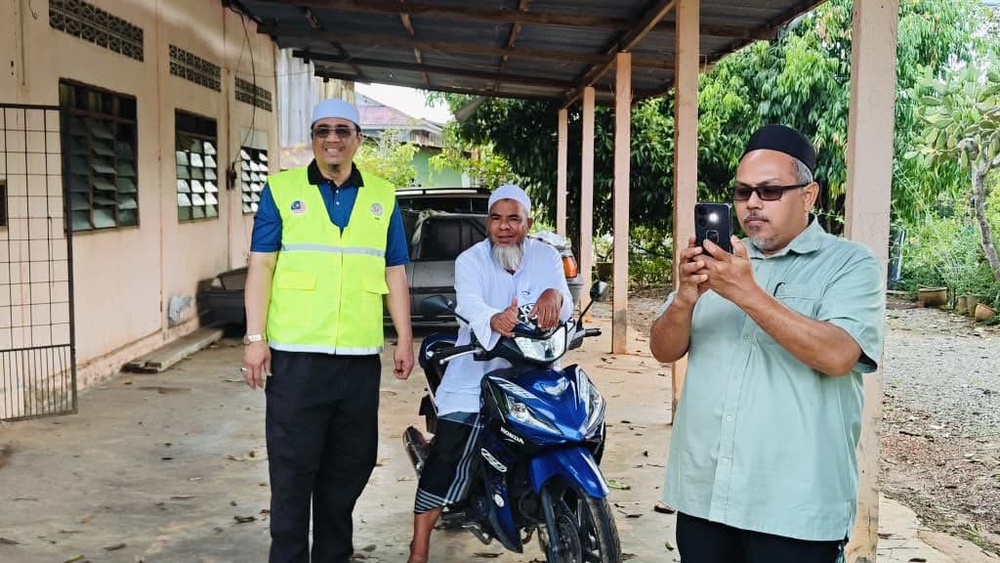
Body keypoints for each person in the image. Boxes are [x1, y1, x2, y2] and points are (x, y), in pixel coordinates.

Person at [649, 124, 885, 563]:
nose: (752, 203)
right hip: (706, 496)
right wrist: (684, 299)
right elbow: (664, 349)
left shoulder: (849, 264)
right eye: (742, 193)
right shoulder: (720, 261)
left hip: (793, 509)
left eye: (769, 191)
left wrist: (746, 293)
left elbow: (838, 355)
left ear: (809, 195)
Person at [242, 97, 415, 563]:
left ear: (359, 138)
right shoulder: (281, 190)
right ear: (312, 139)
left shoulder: (383, 195)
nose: (333, 139)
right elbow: (261, 265)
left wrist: (404, 336)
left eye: (343, 130)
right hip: (296, 358)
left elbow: (394, 270)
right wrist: (255, 338)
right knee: (294, 471)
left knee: (349, 468)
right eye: (323, 130)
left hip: (358, 360)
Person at [406, 184, 574, 563]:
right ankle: (419, 548)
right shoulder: (471, 260)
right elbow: (469, 305)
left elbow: (562, 297)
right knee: (449, 450)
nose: (504, 227)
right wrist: (493, 319)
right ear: (488, 223)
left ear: (527, 223)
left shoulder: (546, 255)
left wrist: (553, 297)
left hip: (534, 365)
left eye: (513, 218)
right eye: (496, 218)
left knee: (566, 424)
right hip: (477, 368)